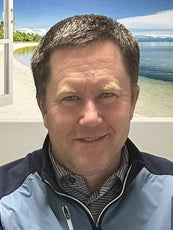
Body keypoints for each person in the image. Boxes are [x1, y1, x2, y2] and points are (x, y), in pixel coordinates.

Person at [0, 14, 173, 230]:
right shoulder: (4, 202)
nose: (90, 118)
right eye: (70, 98)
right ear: (43, 108)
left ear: (132, 101)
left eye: (107, 94)